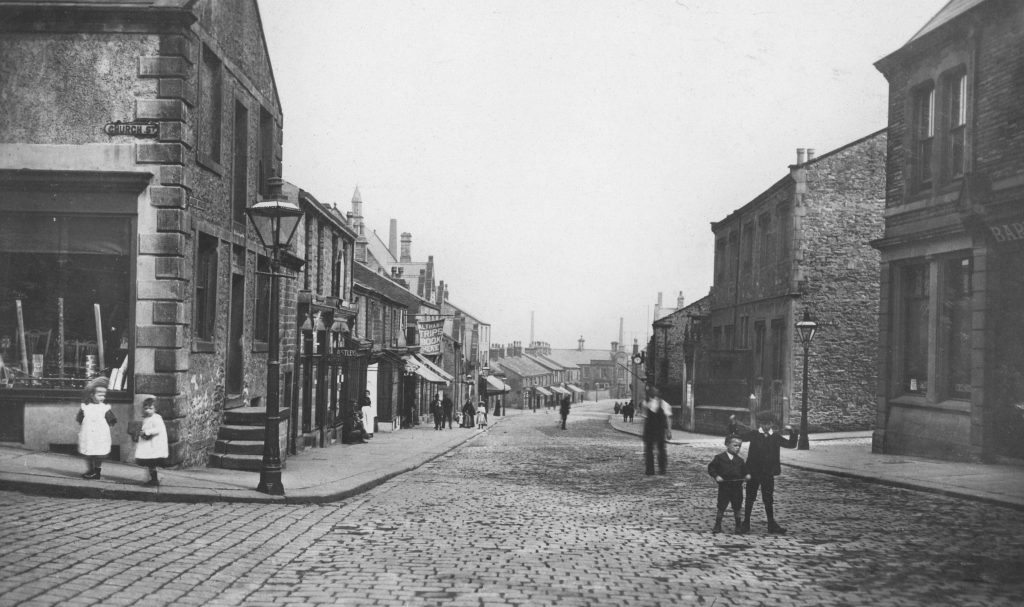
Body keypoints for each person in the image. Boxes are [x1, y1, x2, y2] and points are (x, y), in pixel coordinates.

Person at [729, 412, 799, 534]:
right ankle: (746, 523)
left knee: (768, 498)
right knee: (750, 497)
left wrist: (793, 432)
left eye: (769, 423)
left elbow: (791, 444)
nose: (766, 426)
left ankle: (771, 524)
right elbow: (737, 437)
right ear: (760, 423)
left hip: (768, 473)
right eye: (764, 423)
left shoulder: (776, 437)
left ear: (772, 424)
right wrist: (733, 425)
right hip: (753, 472)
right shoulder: (754, 434)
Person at [707, 435, 750, 534]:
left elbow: (745, 471)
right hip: (724, 486)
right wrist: (716, 476)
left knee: (737, 507)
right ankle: (718, 525)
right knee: (721, 506)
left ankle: (738, 526)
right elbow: (711, 468)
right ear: (727, 444)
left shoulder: (740, 460)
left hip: (737, 487)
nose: (737, 448)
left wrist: (747, 475)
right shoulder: (719, 458)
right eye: (735, 445)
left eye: (739, 446)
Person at [76, 377, 116, 480]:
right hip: (88, 435)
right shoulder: (85, 407)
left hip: (100, 435)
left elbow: (111, 419)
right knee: (88, 453)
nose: (102, 398)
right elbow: (80, 418)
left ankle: (97, 471)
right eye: (99, 395)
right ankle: (91, 470)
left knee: (99, 453)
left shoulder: (104, 408)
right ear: (92, 395)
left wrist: (111, 422)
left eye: (104, 395)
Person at [133, 397, 168, 487]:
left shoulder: (156, 418)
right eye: (146, 408)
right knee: (150, 464)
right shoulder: (147, 418)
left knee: (151, 463)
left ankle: (154, 479)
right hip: (149, 445)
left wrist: (147, 432)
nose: (148, 410)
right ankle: (153, 478)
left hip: (154, 446)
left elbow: (158, 429)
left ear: (155, 409)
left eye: (150, 408)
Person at [641, 386, 672, 476]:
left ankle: (656, 470)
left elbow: (668, 417)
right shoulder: (647, 403)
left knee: (655, 450)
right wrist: (669, 431)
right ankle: (657, 470)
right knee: (655, 450)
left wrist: (669, 430)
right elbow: (668, 418)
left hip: (656, 430)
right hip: (653, 430)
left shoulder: (661, 404)